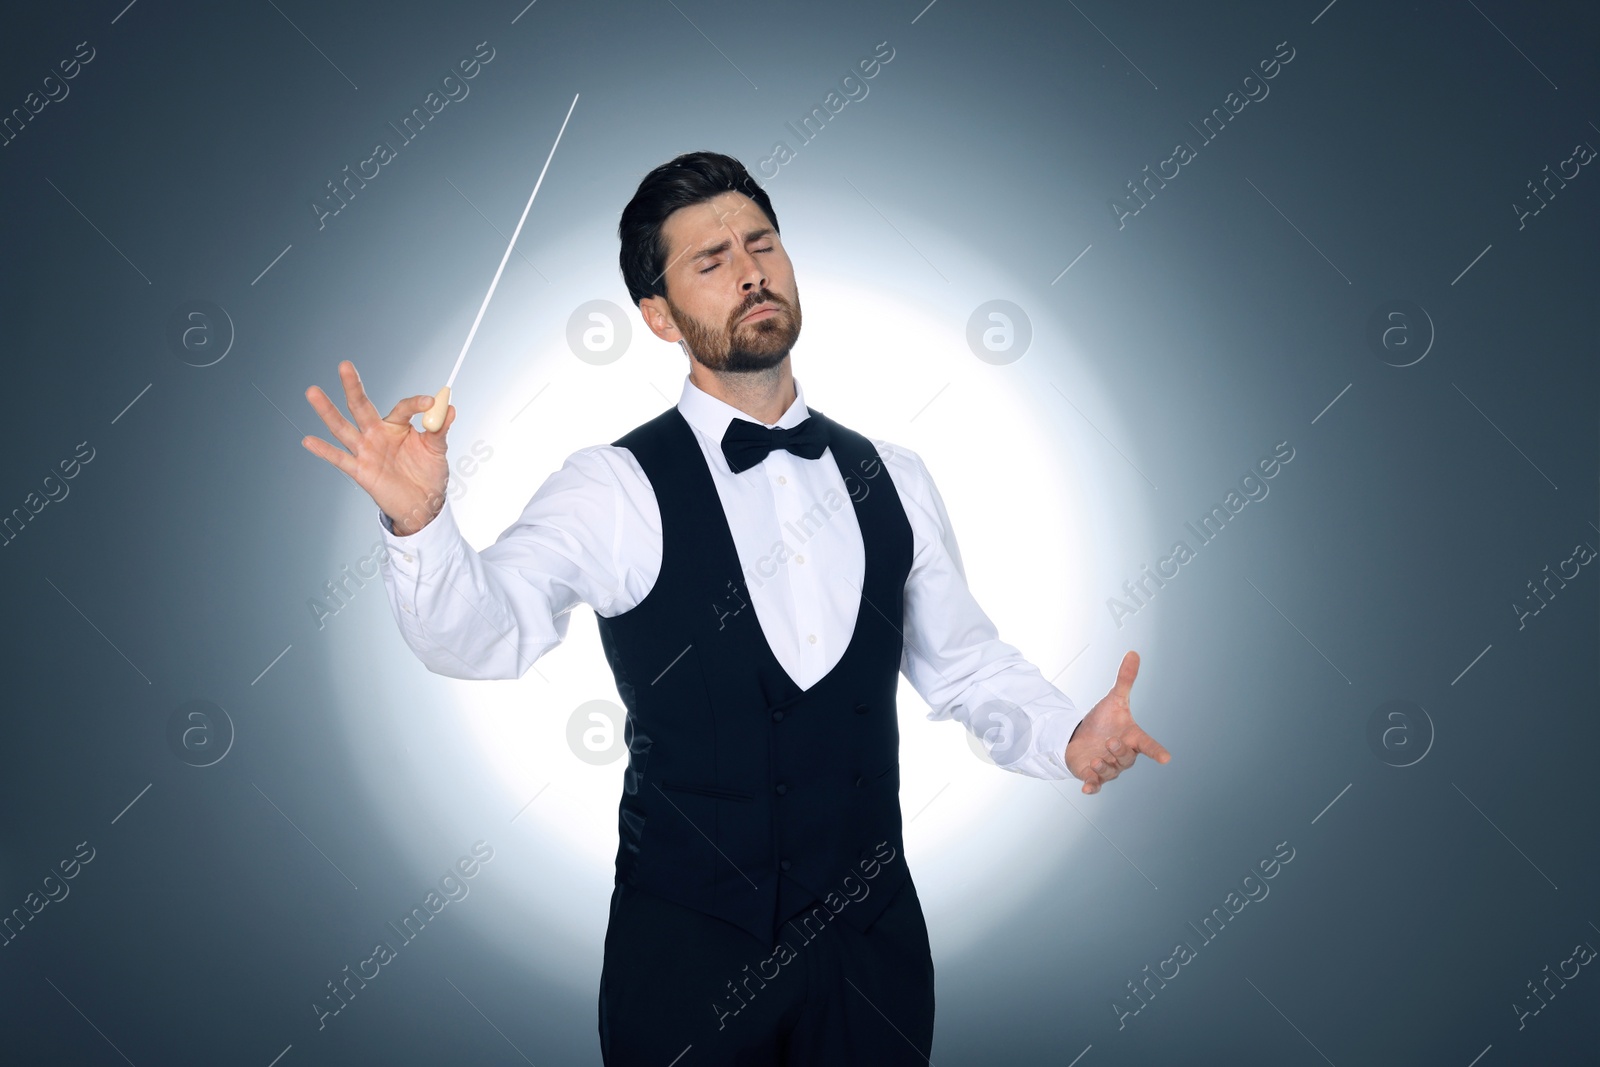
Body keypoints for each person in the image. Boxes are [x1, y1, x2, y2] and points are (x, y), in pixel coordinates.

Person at [301, 150, 1170, 1065]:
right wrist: (422, 520)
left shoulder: (897, 479)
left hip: (872, 953)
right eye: (709, 261)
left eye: (763, 244)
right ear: (658, 316)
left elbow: (963, 662)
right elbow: (481, 635)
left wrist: (1067, 734)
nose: (750, 269)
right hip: (686, 956)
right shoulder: (614, 487)